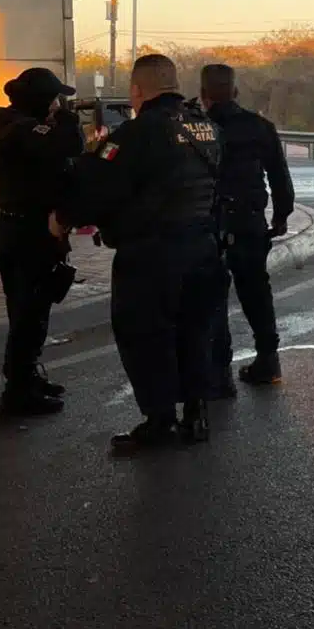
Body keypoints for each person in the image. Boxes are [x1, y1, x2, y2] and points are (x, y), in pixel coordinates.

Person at [54, 53, 224, 450]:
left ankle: (159, 420)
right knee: (197, 331)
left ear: (137, 90)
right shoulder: (208, 128)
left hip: (151, 253)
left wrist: (64, 218)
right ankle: (196, 414)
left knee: (146, 336)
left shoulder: (134, 134)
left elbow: (98, 188)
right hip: (203, 247)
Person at [0, 67, 84, 417]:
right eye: (54, 98)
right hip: (28, 233)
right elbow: (70, 144)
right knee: (29, 313)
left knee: (26, 310)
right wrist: (65, 118)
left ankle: (25, 377)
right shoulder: (24, 130)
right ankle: (18, 392)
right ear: (40, 101)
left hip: (10, 227)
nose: (57, 104)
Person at [200, 64, 294, 392]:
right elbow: (280, 176)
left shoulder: (198, 128)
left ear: (203, 95)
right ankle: (268, 359)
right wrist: (281, 216)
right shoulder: (259, 127)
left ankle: (218, 373)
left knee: (212, 295)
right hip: (250, 221)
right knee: (256, 290)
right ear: (236, 92)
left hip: (209, 223)